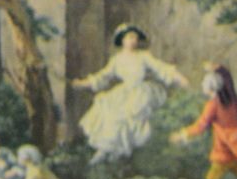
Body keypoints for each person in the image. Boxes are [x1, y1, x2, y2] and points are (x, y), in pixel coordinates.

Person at [75, 24, 188, 160]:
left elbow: (160, 68)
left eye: (135, 37)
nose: (133, 40)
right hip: (123, 92)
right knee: (110, 113)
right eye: (129, 37)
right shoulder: (116, 59)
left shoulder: (143, 56)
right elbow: (103, 76)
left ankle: (124, 152)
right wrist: (82, 83)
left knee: (130, 116)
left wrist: (179, 78)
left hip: (141, 92)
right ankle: (108, 150)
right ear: (122, 40)